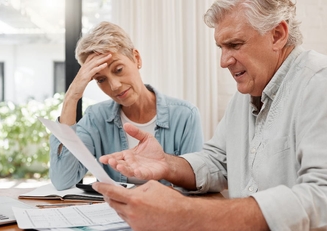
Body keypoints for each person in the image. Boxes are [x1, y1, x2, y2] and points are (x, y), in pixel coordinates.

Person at [92, 0, 327, 230]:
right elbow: (219, 161)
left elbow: (321, 198)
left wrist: (187, 214)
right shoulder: (247, 93)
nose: (224, 61)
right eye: (221, 48)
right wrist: (167, 163)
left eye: (235, 45)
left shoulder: (318, 84)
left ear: (277, 35)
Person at [49, 21, 204, 190]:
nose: (114, 85)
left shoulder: (185, 115)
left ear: (136, 58)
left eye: (118, 69)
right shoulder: (96, 118)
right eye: (101, 79)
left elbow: (192, 185)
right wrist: (72, 97)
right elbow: (62, 179)